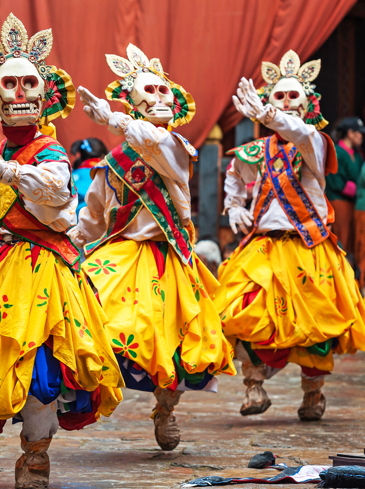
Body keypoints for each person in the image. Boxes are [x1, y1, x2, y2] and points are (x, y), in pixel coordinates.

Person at [69, 44, 236, 451]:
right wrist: (72, 242)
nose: (162, 99)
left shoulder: (176, 148)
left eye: (165, 93)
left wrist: (114, 119)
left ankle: (165, 408)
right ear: (134, 103)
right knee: (96, 316)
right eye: (151, 93)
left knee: (174, 339)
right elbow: (94, 216)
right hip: (122, 255)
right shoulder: (111, 165)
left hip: (169, 257)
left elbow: (157, 151)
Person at [0, 14, 123, 488]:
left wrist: (10, 173)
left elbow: (53, 195)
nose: (19, 94)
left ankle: (35, 456)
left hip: (39, 271)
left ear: (44, 93)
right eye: (9, 84)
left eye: (28, 83)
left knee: (40, 364)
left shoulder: (50, 152)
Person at [214, 50, 365, 422]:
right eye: (277, 96)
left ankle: (313, 394)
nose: (285, 103)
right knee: (243, 314)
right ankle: (253, 385)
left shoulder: (314, 142)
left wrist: (268, 116)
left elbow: (297, 131)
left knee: (315, 324)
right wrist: (234, 207)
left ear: (309, 103)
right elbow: (235, 178)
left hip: (309, 248)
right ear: (268, 101)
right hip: (262, 249)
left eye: (292, 96)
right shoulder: (254, 152)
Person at [326, 117, 365, 253]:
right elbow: (337, 182)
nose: (361, 137)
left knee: (353, 242)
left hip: (353, 203)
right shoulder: (337, 152)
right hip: (338, 202)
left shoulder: (358, 155)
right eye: (359, 133)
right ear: (350, 133)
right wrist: (359, 189)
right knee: (342, 239)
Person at [71, 138, 108, 215]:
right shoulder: (105, 175)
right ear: (103, 156)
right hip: (96, 223)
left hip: (70, 223)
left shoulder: (70, 174)